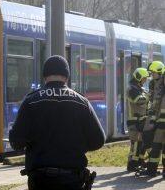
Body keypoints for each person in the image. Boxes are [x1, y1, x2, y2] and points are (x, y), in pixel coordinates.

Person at [9, 55, 106, 190]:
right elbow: (98, 140)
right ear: (67, 76)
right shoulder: (81, 102)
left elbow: (16, 140)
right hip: (72, 179)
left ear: (44, 76)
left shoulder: (31, 100)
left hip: (40, 179)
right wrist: (76, 147)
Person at [137, 61, 165, 176]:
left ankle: (153, 169)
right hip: (158, 119)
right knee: (156, 143)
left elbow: (159, 103)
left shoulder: (162, 84)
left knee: (158, 144)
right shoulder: (154, 84)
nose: (151, 75)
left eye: (153, 73)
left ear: (159, 72)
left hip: (161, 119)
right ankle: (152, 169)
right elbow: (153, 102)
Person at [126, 68, 150, 172]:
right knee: (135, 143)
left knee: (141, 143)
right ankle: (131, 165)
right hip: (134, 121)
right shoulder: (131, 89)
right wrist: (148, 96)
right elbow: (138, 100)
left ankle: (139, 162)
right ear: (139, 78)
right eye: (144, 78)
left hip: (142, 120)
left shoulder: (140, 89)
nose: (145, 80)